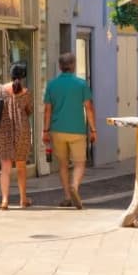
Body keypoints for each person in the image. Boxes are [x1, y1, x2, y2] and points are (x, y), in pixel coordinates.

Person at [42, 53, 96, 209]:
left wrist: (45, 130)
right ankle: (75, 186)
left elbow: (47, 110)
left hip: (57, 129)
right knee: (80, 163)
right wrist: (93, 129)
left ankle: (67, 196)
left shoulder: (52, 85)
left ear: (60, 66)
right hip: (77, 130)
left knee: (63, 164)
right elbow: (89, 108)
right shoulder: (81, 84)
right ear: (73, 65)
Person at [0, 62, 35, 211]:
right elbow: (29, 111)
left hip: (3, 131)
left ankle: (4, 200)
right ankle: (23, 199)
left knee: (5, 168)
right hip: (22, 132)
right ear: (23, 77)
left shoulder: (0, 89)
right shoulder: (26, 92)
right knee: (21, 166)